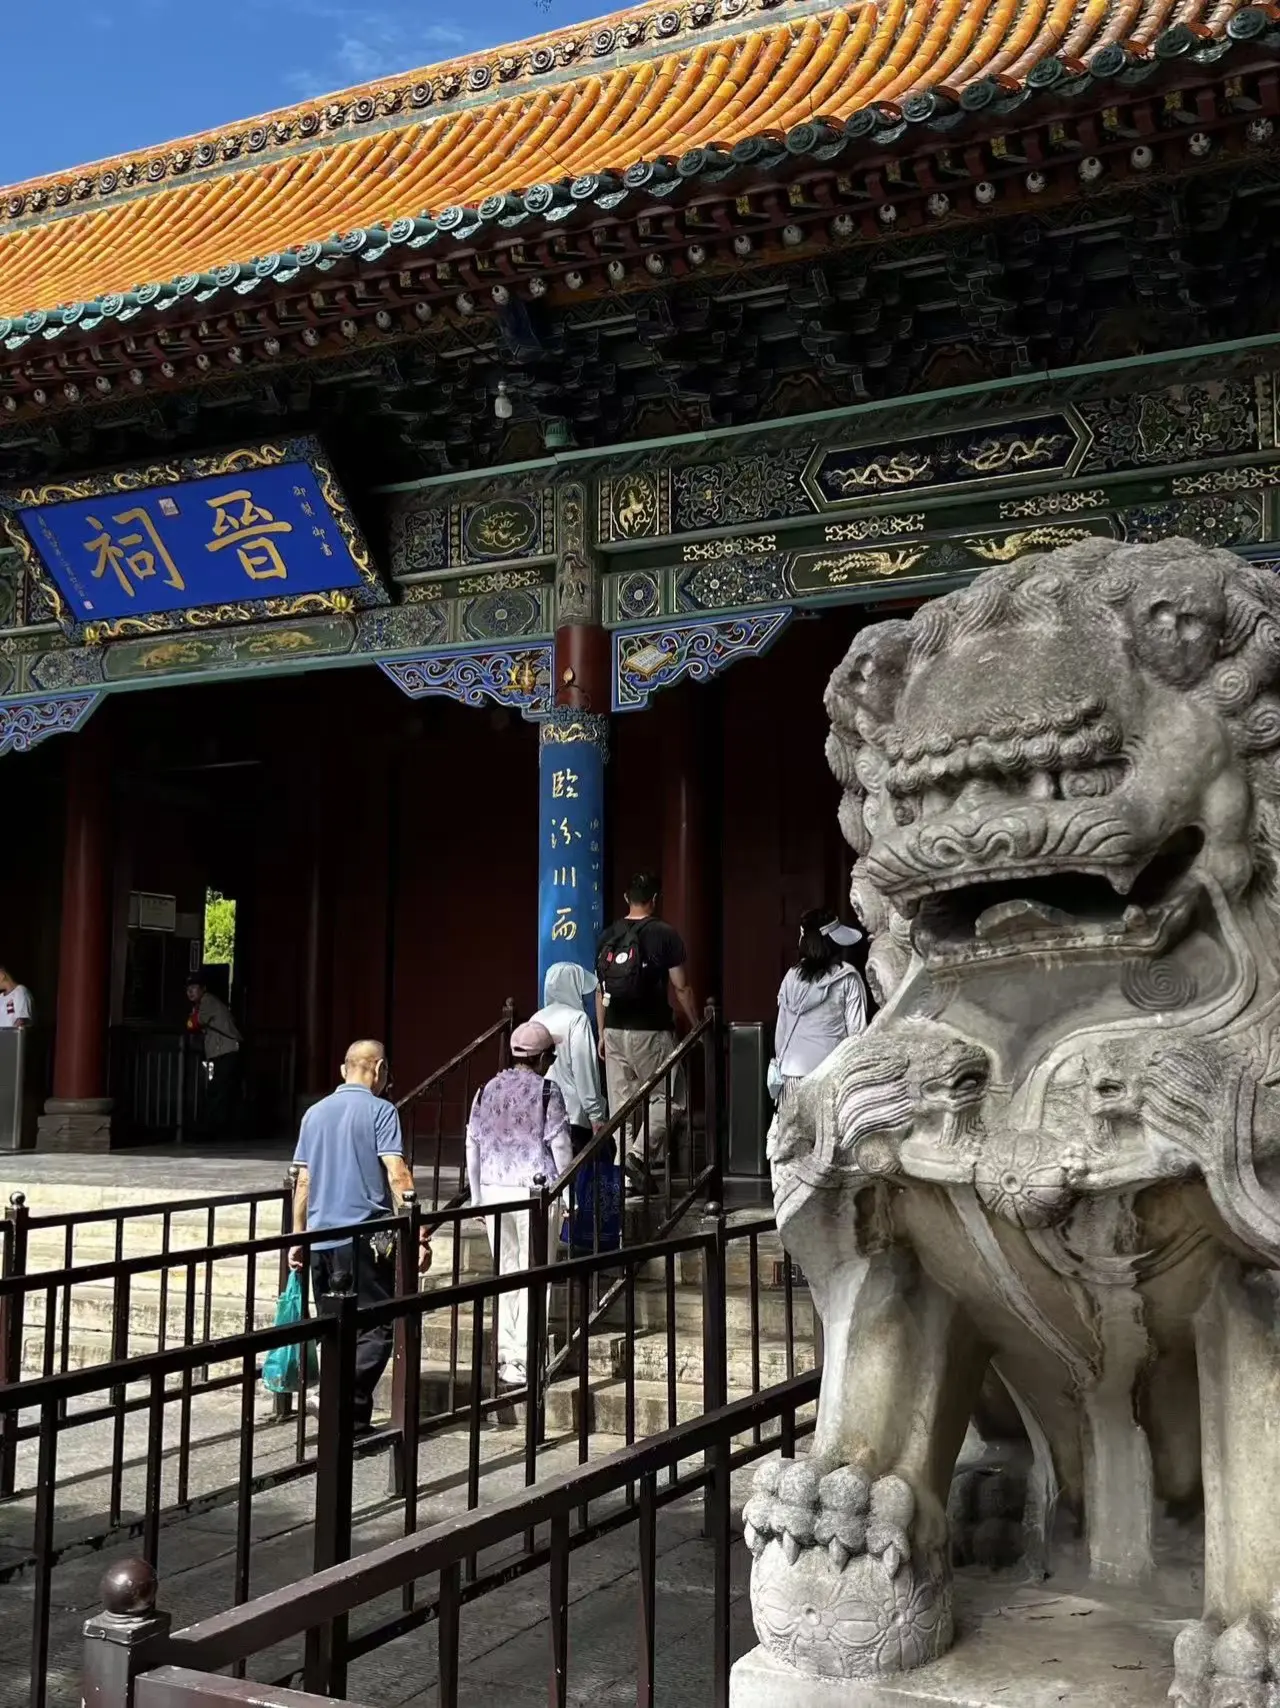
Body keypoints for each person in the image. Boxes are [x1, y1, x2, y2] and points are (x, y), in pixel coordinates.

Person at [289, 1039, 430, 1434]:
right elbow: (397, 1173)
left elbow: (303, 1182)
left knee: (335, 1329)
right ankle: (335, 1393)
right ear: (380, 1068)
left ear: (343, 1069)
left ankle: (348, 1421)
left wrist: (297, 1236)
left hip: (321, 1239)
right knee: (378, 1326)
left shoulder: (314, 1114)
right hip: (365, 1238)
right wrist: (416, 1230)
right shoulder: (381, 1111)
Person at [465, 1021, 571, 1389]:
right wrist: (568, 1194)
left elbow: (472, 1143)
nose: (551, 1062)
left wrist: (477, 1196)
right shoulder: (547, 1091)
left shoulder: (486, 1089)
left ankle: (508, 1356)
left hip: (495, 1190)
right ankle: (526, 1357)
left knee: (507, 1273)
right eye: (551, 1056)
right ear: (541, 1058)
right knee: (535, 1273)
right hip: (534, 1192)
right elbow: (560, 1145)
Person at [595, 873, 698, 1189]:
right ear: (655, 899)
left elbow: (600, 989)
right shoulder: (665, 934)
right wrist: (696, 1024)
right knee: (670, 1099)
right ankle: (636, 1158)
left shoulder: (608, 934)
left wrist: (601, 1031)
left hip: (614, 1029)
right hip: (651, 1031)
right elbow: (681, 988)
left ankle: (624, 1177)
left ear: (627, 898)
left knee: (621, 1106)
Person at [531, 962, 619, 1253]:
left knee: (550, 1176)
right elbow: (585, 1070)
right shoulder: (577, 1020)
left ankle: (553, 1239)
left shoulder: (537, 1018)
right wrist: (596, 1114)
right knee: (581, 1177)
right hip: (573, 1114)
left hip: (542, 1113)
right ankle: (582, 1239)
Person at [769, 908, 868, 1116]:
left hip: (791, 1076)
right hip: (830, 1076)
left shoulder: (791, 977)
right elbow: (857, 1036)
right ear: (833, 942)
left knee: (793, 1135)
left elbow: (781, 1033)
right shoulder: (847, 978)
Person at [185, 972, 242, 1137]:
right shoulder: (204, 1003)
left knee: (217, 1091)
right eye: (188, 989)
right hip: (223, 1052)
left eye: (194, 988)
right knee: (222, 1090)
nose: (190, 991)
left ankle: (213, 1130)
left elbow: (193, 1024)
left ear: (203, 989)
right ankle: (221, 1129)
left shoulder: (207, 1001)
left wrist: (190, 1018)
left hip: (225, 1052)